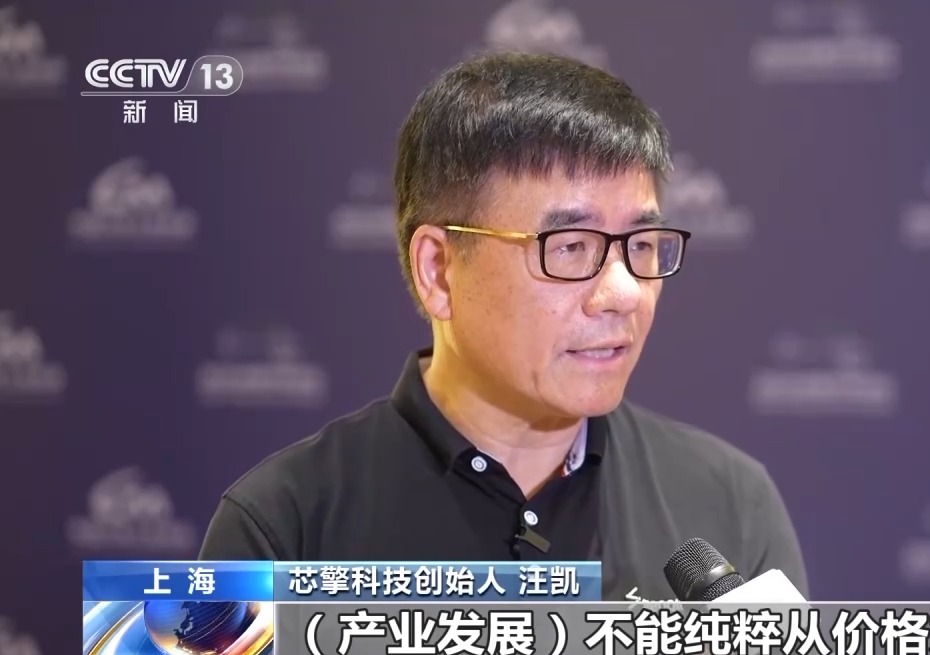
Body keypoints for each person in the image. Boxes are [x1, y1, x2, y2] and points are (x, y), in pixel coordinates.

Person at [198, 51, 809, 602]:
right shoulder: (282, 528)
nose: (624, 293)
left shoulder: (731, 503)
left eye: (642, 244)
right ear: (439, 270)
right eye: (570, 247)